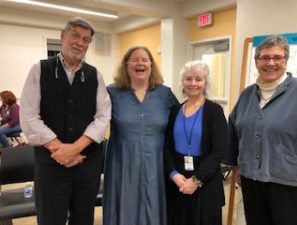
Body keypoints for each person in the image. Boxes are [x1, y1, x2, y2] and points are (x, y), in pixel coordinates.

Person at [20, 17, 111, 225]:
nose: (80, 43)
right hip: (50, 164)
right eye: (75, 36)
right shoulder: (39, 70)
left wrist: (75, 149)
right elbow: (28, 116)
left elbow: (103, 116)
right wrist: (60, 149)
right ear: (63, 35)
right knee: (50, 218)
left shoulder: (95, 75)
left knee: (84, 218)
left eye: (86, 40)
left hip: (86, 164)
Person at [226, 35, 297, 225]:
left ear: (286, 61)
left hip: (289, 184)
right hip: (251, 180)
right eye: (264, 58)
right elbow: (234, 130)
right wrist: (236, 166)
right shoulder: (247, 94)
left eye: (277, 57)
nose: (271, 63)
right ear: (256, 61)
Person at [103, 46, 179, 225]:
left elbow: (182, 121)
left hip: (157, 163)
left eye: (145, 59)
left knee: (155, 205)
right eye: (135, 59)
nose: (140, 63)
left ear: (151, 65)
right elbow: (95, 120)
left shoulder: (165, 94)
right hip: (123, 162)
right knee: (125, 206)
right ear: (126, 65)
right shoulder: (111, 93)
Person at [164, 60, 227, 225]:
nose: (193, 83)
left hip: (206, 180)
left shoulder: (214, 111)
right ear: (182, 82)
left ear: (205, 83)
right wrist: (173, 174)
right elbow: (166, 147)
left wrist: (196, 180)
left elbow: (219, 151)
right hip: (178, 180)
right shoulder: (175, 110)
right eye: (188, 78)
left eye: (198, 79)